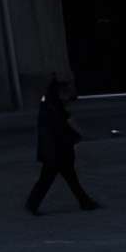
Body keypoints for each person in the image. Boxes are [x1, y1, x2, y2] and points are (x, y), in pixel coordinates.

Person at [26, 75, 99, 215]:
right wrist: (84, 135)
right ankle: (32, 204)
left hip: (54, 150)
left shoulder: (48, 104)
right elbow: (69, 123)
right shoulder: (56, 107)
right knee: (53, 178)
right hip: (58, 151)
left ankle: (85, 202)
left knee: (65, 178)